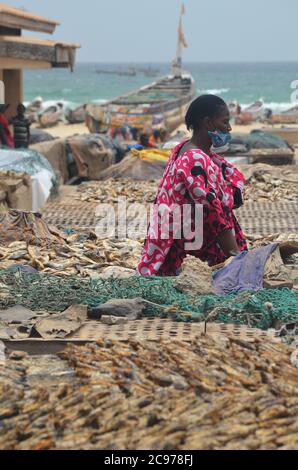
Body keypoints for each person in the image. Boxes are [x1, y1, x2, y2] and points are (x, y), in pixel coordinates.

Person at [137, 94, 247, 276]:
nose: (229, 128)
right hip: (188, 254)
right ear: (208, 123)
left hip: (185, 240)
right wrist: (238, 261)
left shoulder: (185, 148)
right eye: (225, 121)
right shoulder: (194, 158)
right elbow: (215, 215)